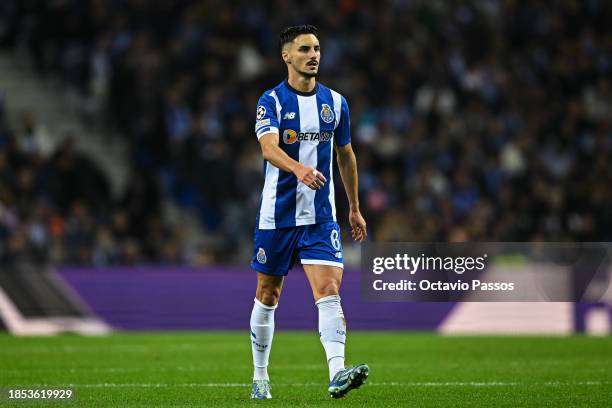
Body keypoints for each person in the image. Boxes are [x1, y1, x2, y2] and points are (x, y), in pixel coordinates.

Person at [249, 25, 369, 400]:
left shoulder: (336, 102)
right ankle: (260, 377)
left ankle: (336, 373)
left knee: (329, 290)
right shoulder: (271, 101)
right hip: (278, 218)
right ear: (287, 56)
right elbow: (268, 149)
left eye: (316, 48)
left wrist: (354, 207)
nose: (313, 54)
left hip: (321, 217)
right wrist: (299, 169)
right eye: (304, 49)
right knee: (268, 294)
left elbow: (345, 155)